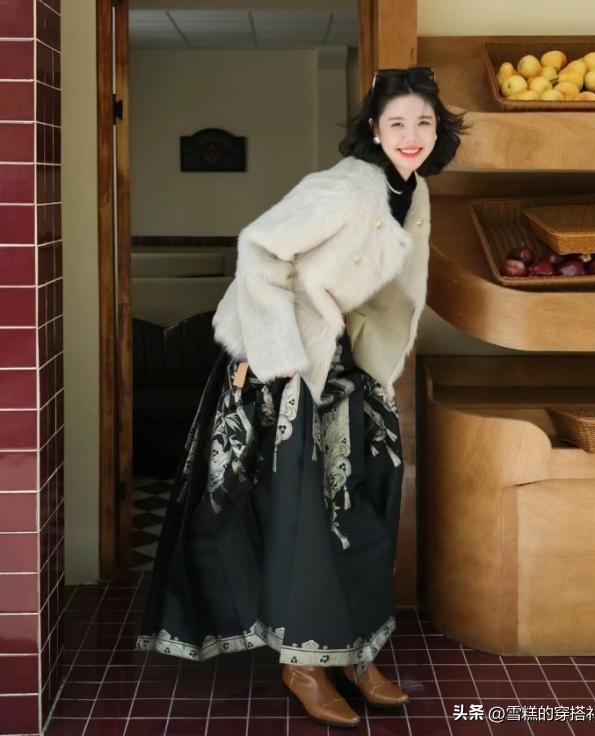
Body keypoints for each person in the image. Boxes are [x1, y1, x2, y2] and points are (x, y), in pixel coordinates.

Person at [136, 66, 466, 728]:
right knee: (304, 518)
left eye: (423, 122)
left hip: (348, 366)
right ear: (374, 129)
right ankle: (304, 663)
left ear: (438, 131)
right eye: (396, 122)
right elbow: (260, 249)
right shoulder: (343, 187)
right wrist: (275, 354)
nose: (411, 134)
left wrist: (373, 355)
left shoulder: (414, 189)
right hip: (283, 364)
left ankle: (355, 652)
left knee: (367, 506)